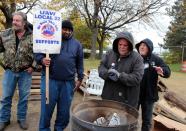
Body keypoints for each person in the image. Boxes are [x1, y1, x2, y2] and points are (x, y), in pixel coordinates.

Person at [34, 20, 84, 131]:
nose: (66, 32)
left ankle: (59, 128)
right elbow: (37, 53)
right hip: (50, 80)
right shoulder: (48, 39)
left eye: (69, 30)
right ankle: (44, 128)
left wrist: (80, 78)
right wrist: (41, 59)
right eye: (64, 29)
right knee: (47, 108)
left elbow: (80, 63)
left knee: (64, 110)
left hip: (68, 82)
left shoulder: (77, 45)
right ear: (59, 29)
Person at [0, 12, 36, 130]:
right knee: (6, 97)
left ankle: (21, 118)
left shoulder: (33, 36)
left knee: (24, 97)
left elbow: (39, 53)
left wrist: (33, 67)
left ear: (24, 23)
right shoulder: (5, 34)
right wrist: (4, 63)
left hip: (25, 72)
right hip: (9, 71)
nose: (14, 22)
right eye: (14, 20)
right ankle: (4, 119)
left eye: (17, 21)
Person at [98, 31, 144, 108]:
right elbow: (101, 67)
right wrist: (107, 73)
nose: (122, 47)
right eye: (120, 44)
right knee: (106, 119)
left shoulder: (137, 58)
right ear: (116, 44)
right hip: (108, 97)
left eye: (125, 45)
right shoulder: (109, 53)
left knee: (123, 120)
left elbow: (137, 78)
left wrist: (119, 76)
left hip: (126, 101)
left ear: (130, 45)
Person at [135, 38, 171, 131]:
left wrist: (162, 70)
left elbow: (167, 71)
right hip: (135, 94)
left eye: (144, 45)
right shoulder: (135, 57)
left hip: (149, 95)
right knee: (132, 118)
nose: (142, 47)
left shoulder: (156, 59)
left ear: (149, 48)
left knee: (147, 120)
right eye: (140, 45)